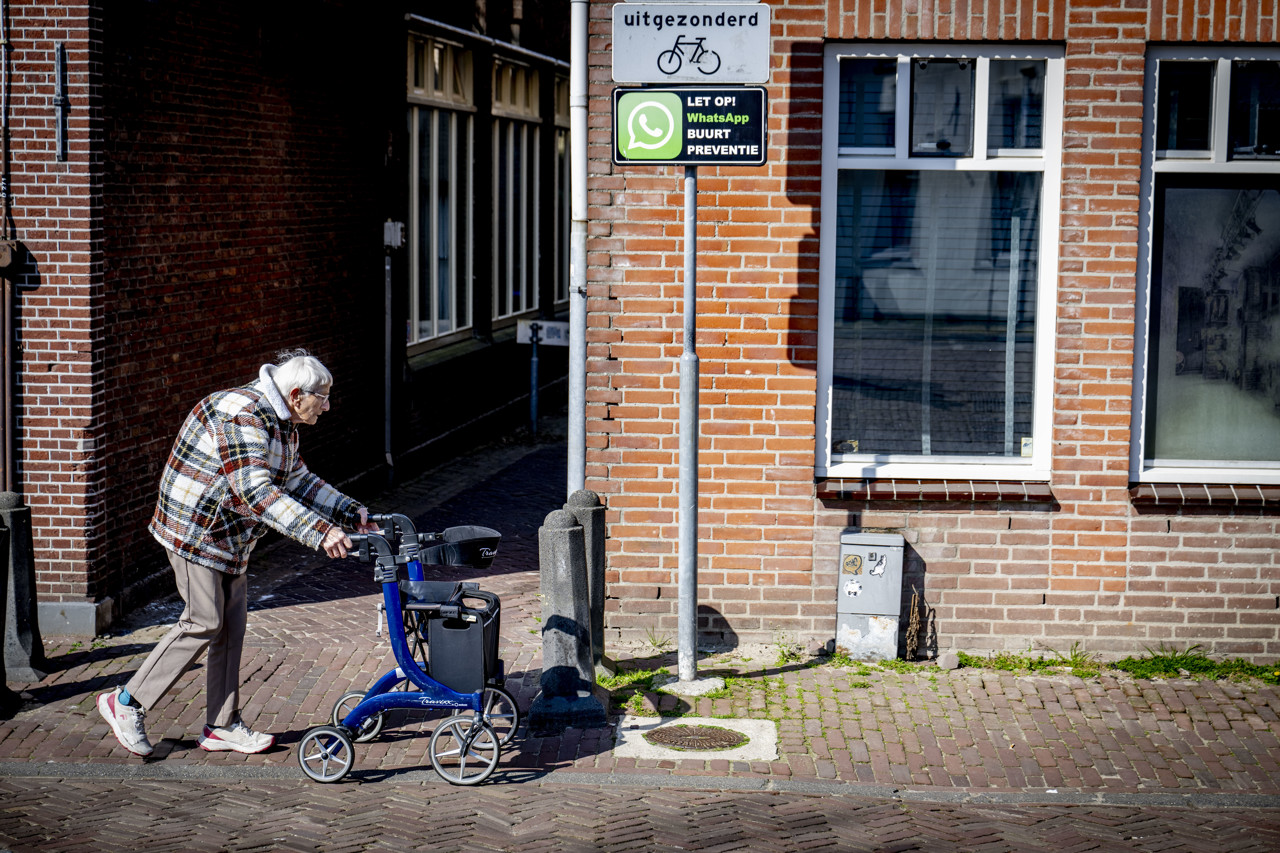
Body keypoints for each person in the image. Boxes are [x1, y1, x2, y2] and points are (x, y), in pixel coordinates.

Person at [98, 349, 378, 757]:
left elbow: (296, 478)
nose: (329, 405)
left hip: (231, 536)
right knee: (204, 620)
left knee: (231, 627)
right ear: (298, 394)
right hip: (196, 531)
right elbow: (256, 492)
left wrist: (351, 512)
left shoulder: (283, 422)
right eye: (325, 397)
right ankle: (125, 702)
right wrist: (321, 532)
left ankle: (221, 725)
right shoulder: (241, 415)